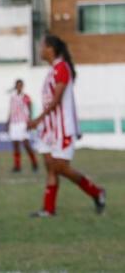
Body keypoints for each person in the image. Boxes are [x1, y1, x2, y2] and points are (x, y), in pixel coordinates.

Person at [28, 35, 106, 217]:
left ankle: (96, 192)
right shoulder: (51, 71)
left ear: (50, 49)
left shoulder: (62, 68)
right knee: (50, 166)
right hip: (49, 129)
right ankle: (48, 209)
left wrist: (37, 119)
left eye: (42, 47)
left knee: (61, 167)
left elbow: (57, 100)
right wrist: (42, 123)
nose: (40, 50)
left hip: (62, 128)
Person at [6, 79, 38, 172]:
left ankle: (34, 163)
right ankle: (17, 166)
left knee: (26, 145)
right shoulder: (12, 97)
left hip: (22, 123)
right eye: (18, 85)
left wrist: (30, 121)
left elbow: (30, 108)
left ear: (23, 86)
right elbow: (11, 110)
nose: (19, 87)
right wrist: (8, 122)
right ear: (16, 86)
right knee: (15, 145)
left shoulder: (25, 97)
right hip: (14, 123)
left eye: (21, 85)